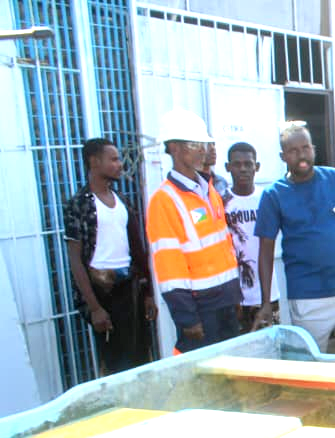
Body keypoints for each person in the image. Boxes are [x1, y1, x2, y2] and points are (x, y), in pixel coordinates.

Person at [253, 123, 335, 353]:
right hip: (307, 300)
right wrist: (265, 302)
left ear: (313, 149)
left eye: (305, 147)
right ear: (283, 156)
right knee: (313, 366)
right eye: (293, 151)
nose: (301, 155)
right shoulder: (274, 195)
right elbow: (265, 250)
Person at [146, 108, 241, 353]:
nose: (202, 149)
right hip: (201, 307)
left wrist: (234, 294)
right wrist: (187, 317)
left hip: (225, 301)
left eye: (203, 144)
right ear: (174, 148)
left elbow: (223, 249)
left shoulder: (209, 191)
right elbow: (169, 267)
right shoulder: (164, 200)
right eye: (194, 144)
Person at [63, 137, 155, 374]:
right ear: (94, 162)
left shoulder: (122, 201)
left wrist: (147, 293)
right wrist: (94, 307)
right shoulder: (79, 205)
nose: (119, 164)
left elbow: (136, 250)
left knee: (141, 358)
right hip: (104, 292)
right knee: (116, 364)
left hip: (130, 289)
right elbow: (75, 260)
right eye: (113, 159)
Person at [222, 142, 279, 332]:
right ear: (227, 167)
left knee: (270, 350)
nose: (243, 169)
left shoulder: (268, 199)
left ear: (257, 167)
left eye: (248, 164)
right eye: (237, 164)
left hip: (267, 295)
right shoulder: (221, 202)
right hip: (234, 296)